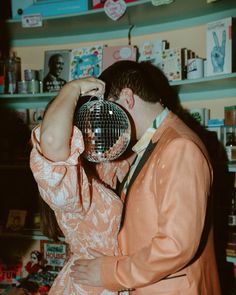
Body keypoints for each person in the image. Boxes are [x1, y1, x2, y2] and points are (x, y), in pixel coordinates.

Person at [69, 60, 221, 294]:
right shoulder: (153, 142)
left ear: (127, 97)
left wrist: (110, 272)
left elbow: (176, 246)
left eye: (109, 107)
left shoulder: (179, 146)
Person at [29, 76, 131, 294]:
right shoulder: (69, 181)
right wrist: (72, 89)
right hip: (91, 285)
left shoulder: (100, 163)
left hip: (111, 278)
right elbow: (51, 141)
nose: (94, 130)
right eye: (86, 125)